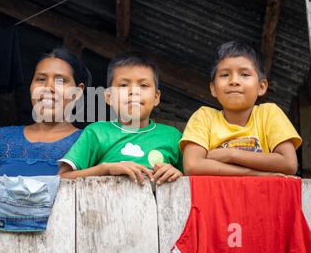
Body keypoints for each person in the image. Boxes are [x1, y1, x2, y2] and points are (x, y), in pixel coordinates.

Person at [58, 51, 183, 186]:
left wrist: (177, 174)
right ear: (109, 97)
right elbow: (62, 178)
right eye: (123, 85)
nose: (134, 91)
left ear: (156, 97)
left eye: (144, 85)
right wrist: (106, 169)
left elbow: (194, 181)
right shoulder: (97, 132)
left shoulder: (173, 136)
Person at [180, 41, 302, 176]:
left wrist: (231, 154)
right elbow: (192, 166)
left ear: (261, 87)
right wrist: (252, 173)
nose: (234, 81)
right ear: (213, 88)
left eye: (244, 74)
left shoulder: (269, 113)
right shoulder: (204, 117)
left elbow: (289, 163)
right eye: (225, 75)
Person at [0, 47, 91, 176]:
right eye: (41, 79)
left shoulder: (89, 142)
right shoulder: (1, 138)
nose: (48, 88)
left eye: (60, 81)